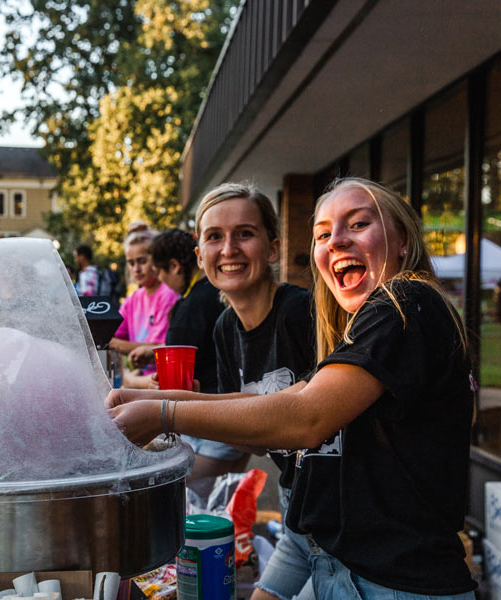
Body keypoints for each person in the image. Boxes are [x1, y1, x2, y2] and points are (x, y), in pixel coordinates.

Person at [106, 177, 477, 597]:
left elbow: (304, 418)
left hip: (395, 579)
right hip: (327, 547)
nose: (336, 241)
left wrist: (161, 413)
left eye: (357, 224)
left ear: (403, 240)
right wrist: (152, 398)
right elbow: (280, 402)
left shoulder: (404, 302)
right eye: (323, 233)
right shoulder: (350, 322)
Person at [126, 183, 317, 598]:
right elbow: (257, 438)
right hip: (298, 511)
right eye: (214, 237)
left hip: (343, 523)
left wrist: (172, 410)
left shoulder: (302, 312)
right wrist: (191, 400)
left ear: (273, 248)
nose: (228, 248)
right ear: (200, 256)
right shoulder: (225, 328)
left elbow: (303, 421)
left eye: (244, 234)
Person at [145, 228, 248, 481]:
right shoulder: (221, 295)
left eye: (160, 272)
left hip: (212, 430)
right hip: (241, 420)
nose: (161, 281)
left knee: (167, 483)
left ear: (174, 266)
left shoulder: (190, 307)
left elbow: (174, 371)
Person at [109, 225, 179, 388]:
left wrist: (112, 343)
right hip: (140, 381)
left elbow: (158, 348)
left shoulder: (167, 294)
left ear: (156, 259)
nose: (136, 269)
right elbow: (112, 331)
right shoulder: (133, 298)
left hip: (162, 382)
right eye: (131, 263)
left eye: (142, 261)